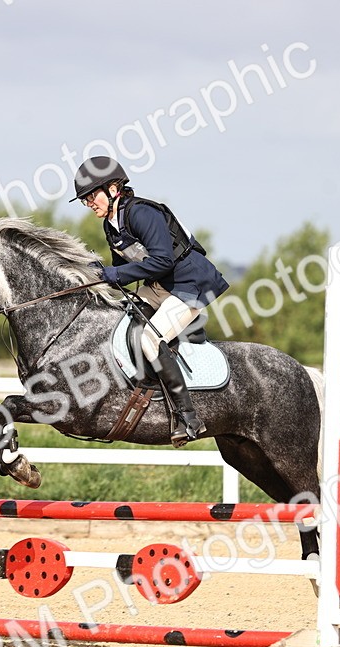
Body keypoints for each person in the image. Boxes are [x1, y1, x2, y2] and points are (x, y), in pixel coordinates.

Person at [72, 156, 230, 446]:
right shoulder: (111, 224)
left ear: (113, 188)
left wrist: (114, 273)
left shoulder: (141, 213)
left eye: (91, 196)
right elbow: (123, 271)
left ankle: (188, 416)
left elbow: (161, 260)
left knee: (149, 338)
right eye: (85, 200)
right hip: (161, 285)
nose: (88, 203)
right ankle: (145, 387)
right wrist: (96, 274)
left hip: (189, 284)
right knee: (120, 322)